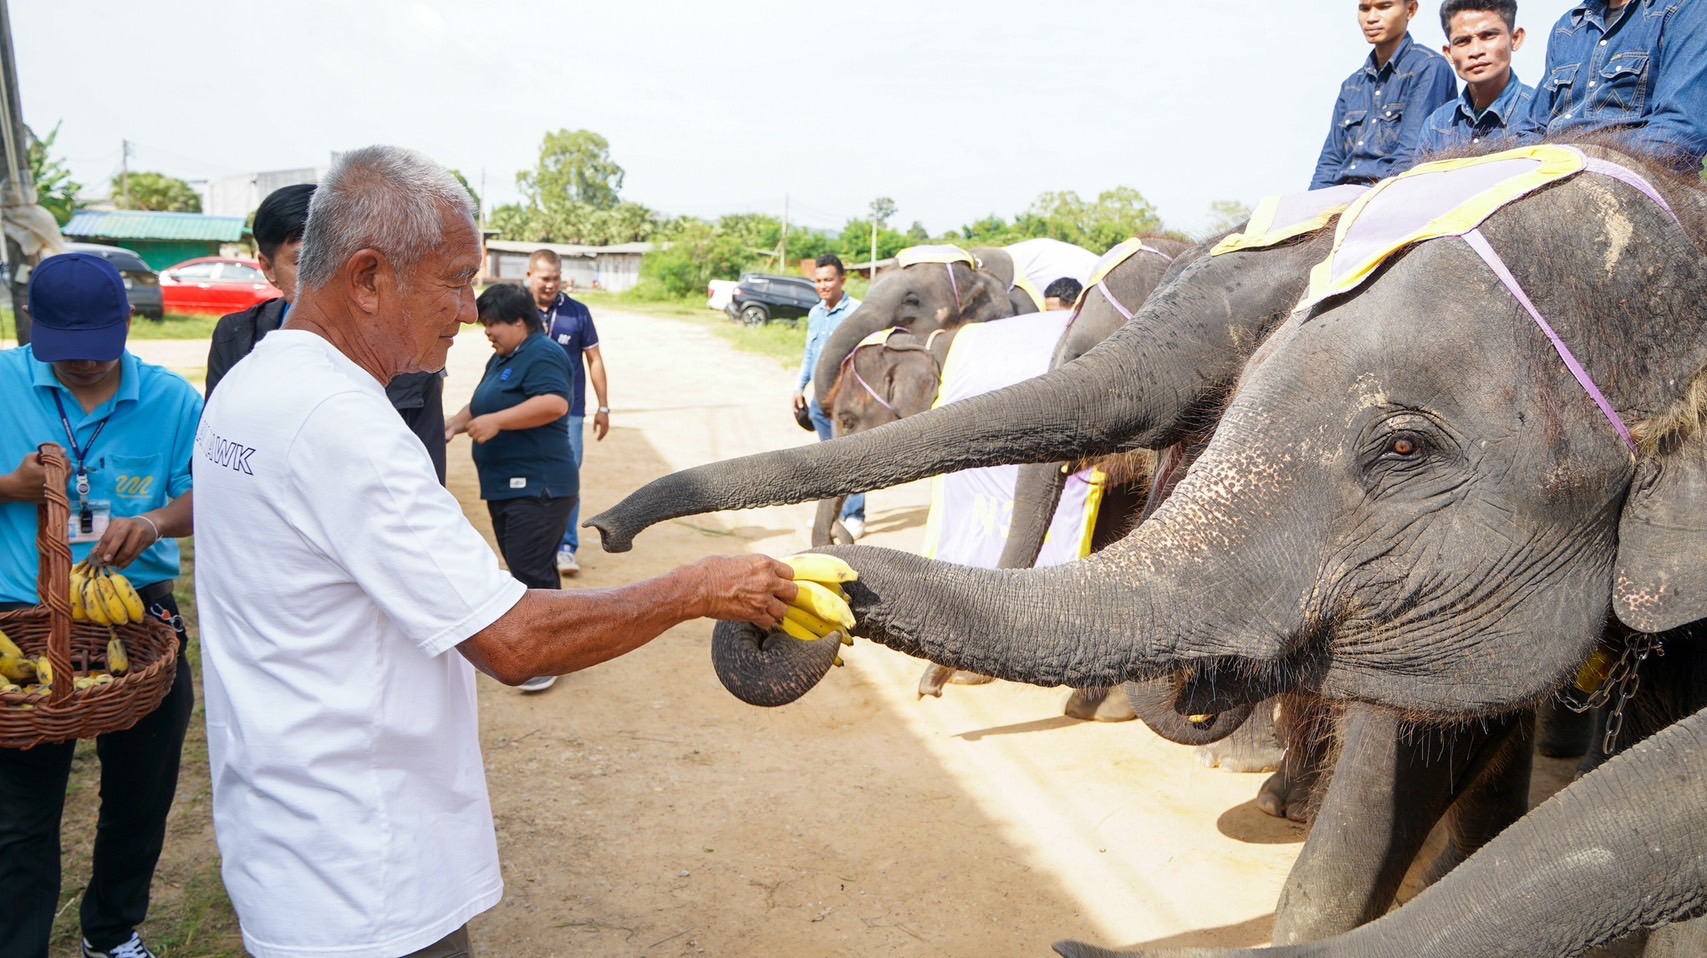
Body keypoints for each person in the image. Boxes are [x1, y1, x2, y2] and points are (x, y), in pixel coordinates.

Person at [191, 145, 825, 958]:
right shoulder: (340, 424)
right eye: (454, 280)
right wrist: (693, 588)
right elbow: (515, 641)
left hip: (289, 839)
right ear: (367, 277)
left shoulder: (254, 382)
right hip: (364, 880)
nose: (468, 310)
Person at [0, 253, 201, 958]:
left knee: (140, 798)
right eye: (66, 352)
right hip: (19, 622)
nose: (84, 364)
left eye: (99, 349)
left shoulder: (172, 400)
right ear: (33, 325)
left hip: (135, 614)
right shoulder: (0, 381)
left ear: (127, 323)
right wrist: (8, 486)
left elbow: (204, 496)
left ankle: (110, 933)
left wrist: (152, 523)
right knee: (19, 817)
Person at [206, 184, 450, 483]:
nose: (326, 277)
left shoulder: (406, 352)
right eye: (303, 262)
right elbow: (214, 456)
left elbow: (427, 477)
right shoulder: (236, 339)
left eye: (336, 258)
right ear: (268, 268)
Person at [445, 284, 575, 694]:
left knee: (531, 572)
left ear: (519, 321)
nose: (487, 331)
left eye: (492, 323)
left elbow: (555, 403)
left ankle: (550, 656)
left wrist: (499, 421)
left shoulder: (543, 354)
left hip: (538, 484)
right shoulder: (504, 356)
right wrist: (453, 423)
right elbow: (481, 403)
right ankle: (558, 645)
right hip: (507, 486)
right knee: (529, 568)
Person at [1527, 0, 1707, 173]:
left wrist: (1580, 157)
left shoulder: (1686, 7)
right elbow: (1532, 127)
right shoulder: (1566, 27)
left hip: (1637, 178)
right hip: (1553, 171)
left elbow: (1682, 131)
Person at [1310, 0, 1458, 188]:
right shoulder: (1352, 85)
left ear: (1410, 10)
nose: (1371, 18)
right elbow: (1330, 162)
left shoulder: (1428, 68)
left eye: (1384, 7)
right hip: (1342, 194)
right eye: (1364, 8)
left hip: (1389, 195)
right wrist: (1310, 207)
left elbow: (1411, 157)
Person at [524, 250, 608, 575]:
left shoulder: (577, 313)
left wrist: (603, 406)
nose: (551, 284)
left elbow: (595, 360)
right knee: (528, 475)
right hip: (524, 410)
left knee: (566, 478)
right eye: (545, 278)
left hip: (570, 413)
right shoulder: (517, 311)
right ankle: (534, 545)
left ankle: (566, 548)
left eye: (556, 277)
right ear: (530, 275)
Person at [791, 253, 866, 539]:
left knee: (851, 457)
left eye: (828, 280)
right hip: (820, 400)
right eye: (818, 280)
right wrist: (799, 386)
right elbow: (811, 354)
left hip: (848, 399)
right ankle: (830, 516)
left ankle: (855, 514)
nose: (823, 285)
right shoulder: (815, 313)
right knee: (829, 458)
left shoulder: (857, 313)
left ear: (842, 280)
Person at [1417, 0, 1542, 156]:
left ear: (1515, 39)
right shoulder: (1436, 126)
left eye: (1488, 36)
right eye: (1462, 41)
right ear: (1449, 53)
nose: (1476, 51)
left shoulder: (1541, 114)